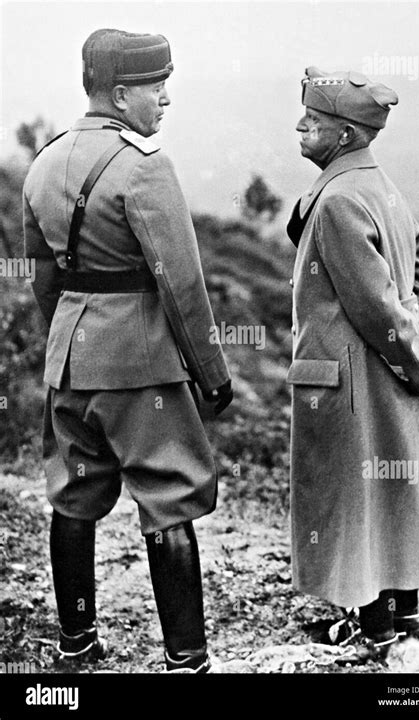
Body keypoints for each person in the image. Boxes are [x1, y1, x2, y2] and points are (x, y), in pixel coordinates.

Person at [23, 28, 233, 673]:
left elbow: (43, 278)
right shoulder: (144, 165)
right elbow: (182, 282)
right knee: (169, 497)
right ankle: (186, 659)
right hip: (140, 364)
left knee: (74, 495)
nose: (164, 100)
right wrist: (212, 375)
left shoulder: (45, 161)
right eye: (155, 87)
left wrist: (69, 340)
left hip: (70, 357)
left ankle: (77, 643)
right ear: (120, 93)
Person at [286, 67, 419, 662]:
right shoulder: (382, 187)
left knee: (357, 504)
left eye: (315, 120)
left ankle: (376, 632)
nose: (301, 126)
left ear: (345, 136)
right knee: (393, 496)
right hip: (391, 378)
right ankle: (404, 620)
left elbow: (377, 305)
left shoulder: (337, 199)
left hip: (353, 384)